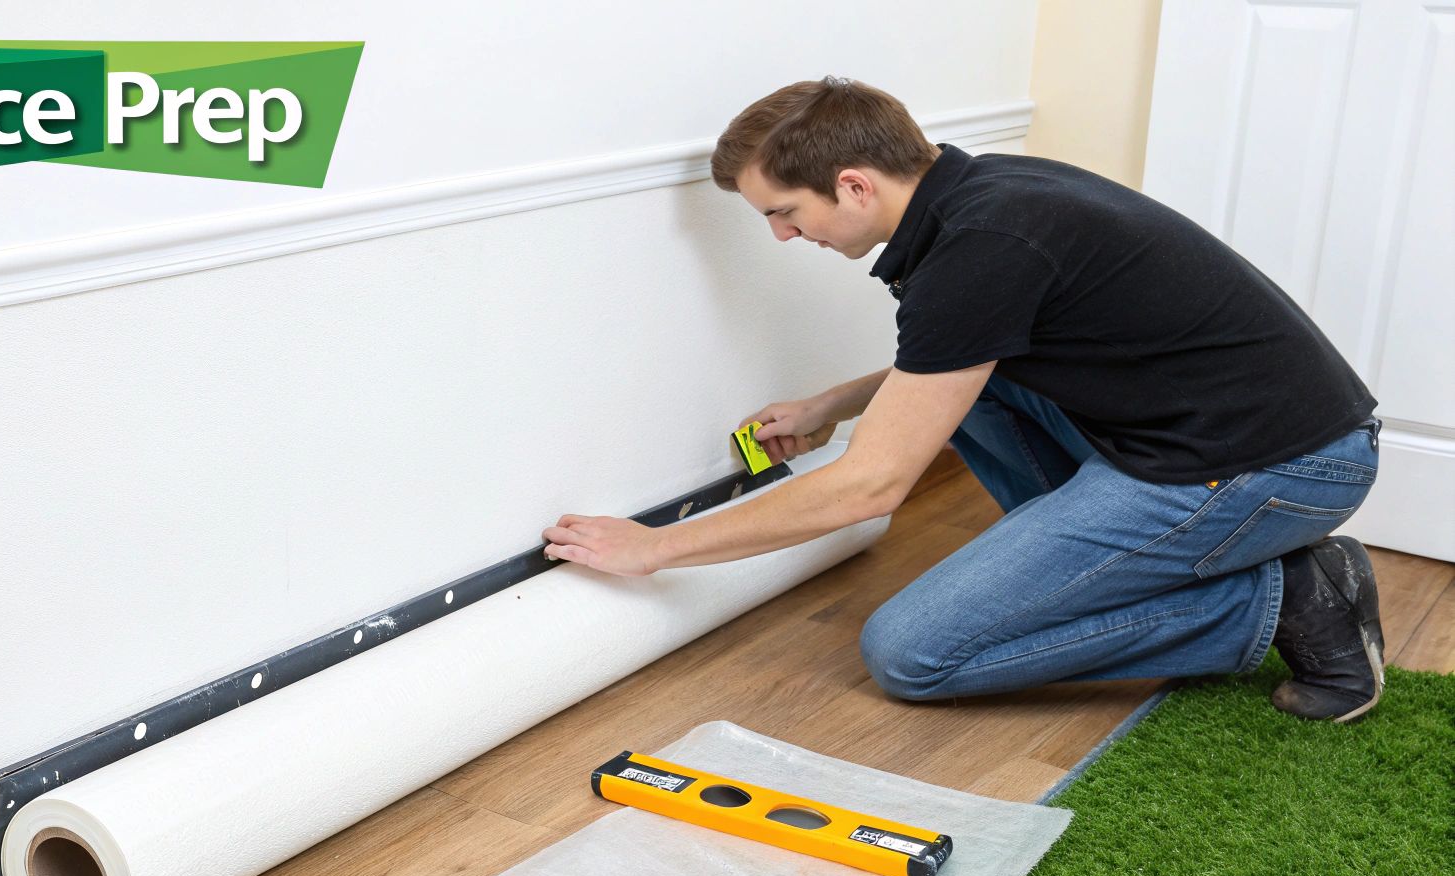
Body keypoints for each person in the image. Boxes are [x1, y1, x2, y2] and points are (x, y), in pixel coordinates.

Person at [540, 77, 1385, 723]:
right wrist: (836, 402)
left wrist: (656, 548)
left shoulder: (982, 249)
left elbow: (869, 488)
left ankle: (1295, 599)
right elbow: (956, 361)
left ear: (855, 184)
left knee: (913, 654)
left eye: (786, 212)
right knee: (975, 396)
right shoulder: (986, 193)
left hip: (1276, 466)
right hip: (1217, 435)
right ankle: (1103, 570)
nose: (784, 237)